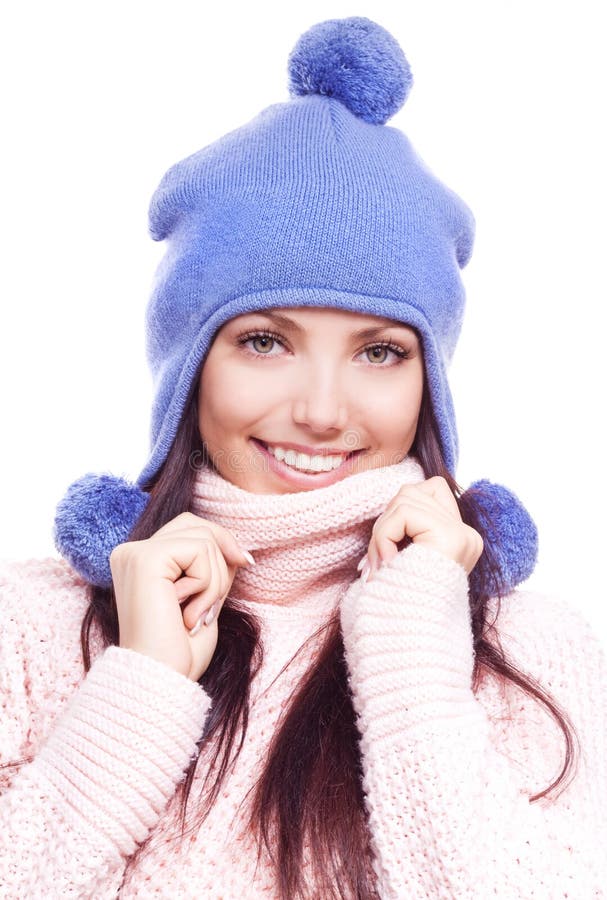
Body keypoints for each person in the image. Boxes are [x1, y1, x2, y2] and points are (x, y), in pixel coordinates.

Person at [0, 15, 605, 899]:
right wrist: (138, 686)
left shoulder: (531, 651)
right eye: (263, 342)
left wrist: (409, 641)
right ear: (186, 366)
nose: (321, 412)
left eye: (378, 353)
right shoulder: (35, 632)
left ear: (428, 381)